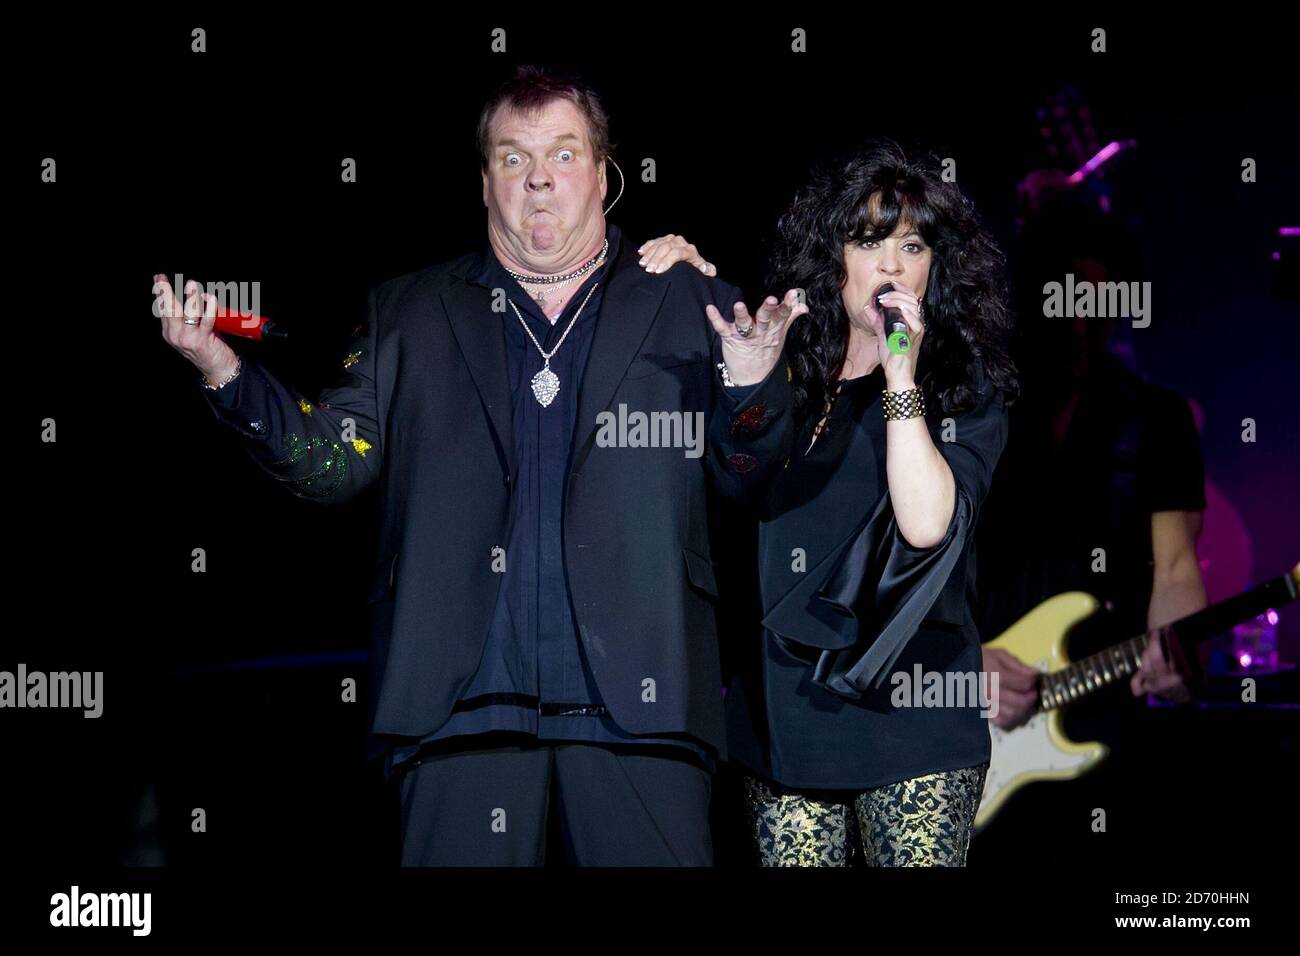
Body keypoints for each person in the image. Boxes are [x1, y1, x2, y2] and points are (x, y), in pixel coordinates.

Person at [153, 64, 804, 866]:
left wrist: (751, 385)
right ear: (485, 181)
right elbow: (332, 465)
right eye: (512, 157)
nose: (540, 179)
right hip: (455, 704)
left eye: (564, 155)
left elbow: (750, 479)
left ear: (604, 173)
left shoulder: (686, 299)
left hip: (645, 697)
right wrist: (221, 366)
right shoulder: (412, 310)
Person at [721, 139, 1018, 866]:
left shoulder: (963, 386)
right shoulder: (791, 376)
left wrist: (899, 373)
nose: (890, 264)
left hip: (915, 721)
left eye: (912, 244)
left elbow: (925, 525)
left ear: (935, 266)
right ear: (835, 260)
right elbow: (728, 490)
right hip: (785, 725)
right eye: (868, 240)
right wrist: (748, 387)